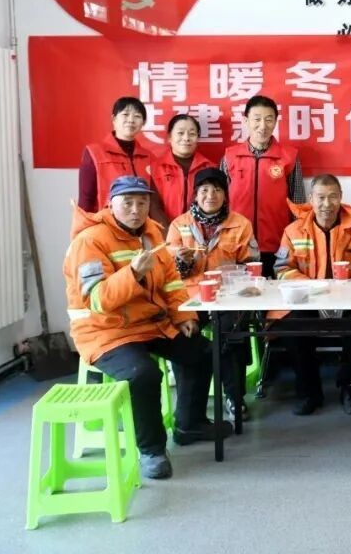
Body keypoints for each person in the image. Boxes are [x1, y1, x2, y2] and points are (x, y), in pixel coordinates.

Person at [64, 175, 227, 480]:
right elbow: (98, 300)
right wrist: (133, 274)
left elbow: (171, 282)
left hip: (150, 324)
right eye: (127, 203)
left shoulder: (151, 233)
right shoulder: (89, 241)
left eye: (142, 203)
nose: (136, 210)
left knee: (202, 351)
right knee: (143, 374)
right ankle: (152, 451)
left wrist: (183, 316)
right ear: (110, 205)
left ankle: (189, 424)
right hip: (105, 332)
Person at [271, 175, 351, 416]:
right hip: (307, 299)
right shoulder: (293, 231)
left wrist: (350, 284)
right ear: (311, 199)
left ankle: (350, 389)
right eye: (320, 197)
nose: (326, 204)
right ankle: (308, 392)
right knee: (292, 327)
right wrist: (311, 287)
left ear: (341, 198)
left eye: (332, 197)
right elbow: (282, 269)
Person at [166, 167, 259, 420]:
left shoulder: (240, 224)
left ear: (225, 195)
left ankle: (234, 397)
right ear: (195, 195)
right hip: (190, 296)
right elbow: (168, 272)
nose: (211, 195)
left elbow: (252, 264)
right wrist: (183, 262)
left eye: (217, 189)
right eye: (204, 190)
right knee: (183, 336)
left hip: (229, 296)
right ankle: (188, 406)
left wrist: (235, 275)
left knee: (231, 332)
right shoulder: (179, 225)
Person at [220, 95, 305, 277]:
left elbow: (298, 205)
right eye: (257, 119)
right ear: (246, 121)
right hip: (236, 244)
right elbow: (220, 203)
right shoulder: (230, 157)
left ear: (275, 122)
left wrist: (296, 241)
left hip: (277, 244)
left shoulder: (289, 157)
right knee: (239, 293)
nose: (263, 125)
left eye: (268, 119)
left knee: (275, 293)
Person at [77, 96, 165, 225]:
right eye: (125, 114)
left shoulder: (149, 157)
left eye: (137, 116)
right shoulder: (94, 152)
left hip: (140, 227)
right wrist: (84, 230)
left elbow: (154, 201)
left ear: (143, 123)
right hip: (105, 226)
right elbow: (86, 200)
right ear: (114, 119)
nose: (131, 120)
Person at [153, 114, 214, 222]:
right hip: (164, 230)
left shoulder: (210, 168)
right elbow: (153, 206)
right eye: (180, 133)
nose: (186, 138)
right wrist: (169, 230)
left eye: (192, 134)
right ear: (170, 137)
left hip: (200, 230)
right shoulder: (155, 168)